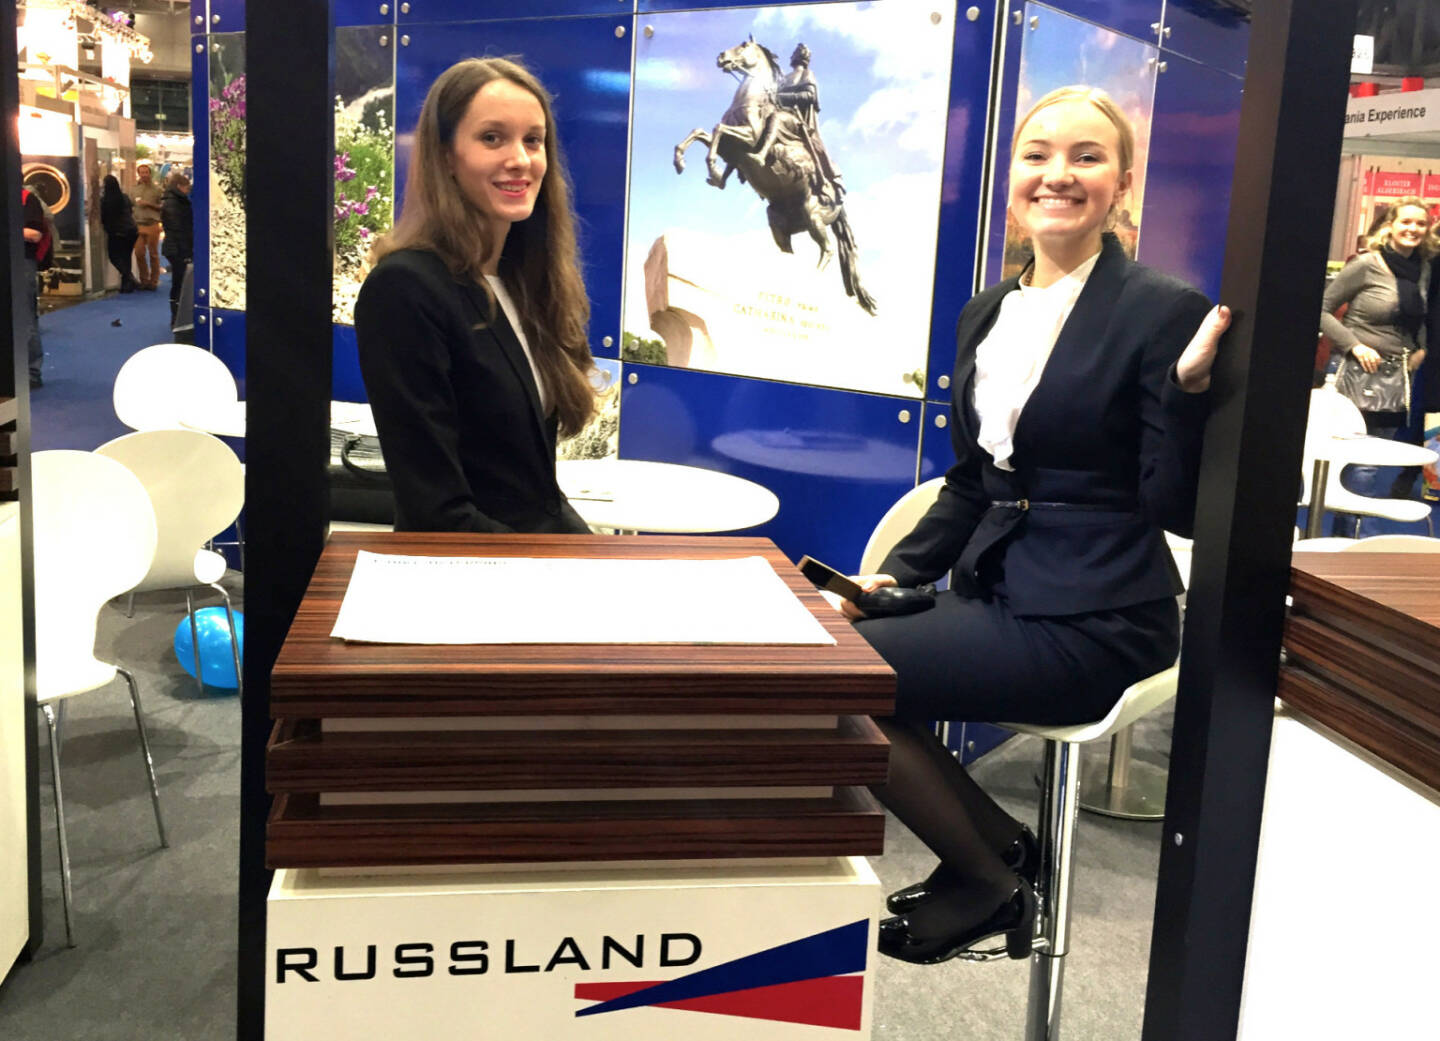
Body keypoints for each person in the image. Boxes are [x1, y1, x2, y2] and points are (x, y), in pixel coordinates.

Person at [834, 85, 1228, 964]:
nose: (1058, 174)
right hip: (1002, 592)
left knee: (832, 683)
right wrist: (898, 574)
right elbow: (976, 479)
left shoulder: (1162, 309)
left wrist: (1187, 396)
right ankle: (1004, 851)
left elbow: (1176, 508)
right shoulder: (986, 310)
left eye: (1087, 157)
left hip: (1098, 615)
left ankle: (990, 878)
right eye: (1037, 154)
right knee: (826, 659)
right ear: (1011, 178)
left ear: (1123, 183)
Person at [354, 57, 596, 533]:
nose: (520, 159)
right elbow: (436, 513)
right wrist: (555, 567)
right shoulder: (405, 289)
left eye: (533, 140)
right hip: (467, 568)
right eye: (492, 138)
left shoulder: (525, 283)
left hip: (529, 557)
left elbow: (538, 496)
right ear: (445, 156)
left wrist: (593, 556)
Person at [1322, 196, 1431, 503]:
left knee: (1373, 458)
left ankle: (1353, 522)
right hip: (1355, 372)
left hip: (1397, 378)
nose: (1413, 229)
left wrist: (1422, 348)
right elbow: (1321, 309)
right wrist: (1354, 346)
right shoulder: (1366, 264)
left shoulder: (1424, 270)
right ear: (1390, 225)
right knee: (1355, 462)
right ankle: (1349, 526)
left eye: (1420, 223)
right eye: (1405, 221)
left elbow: (1423, 317)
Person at [20, 188, 47, 388]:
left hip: (22, 262)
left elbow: (35, 234)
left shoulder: (27, 199)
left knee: (26, 318)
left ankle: (32, 372)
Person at [160, 170, 194, 325]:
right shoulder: (175, 203)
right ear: (180, 186)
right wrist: (186, 251)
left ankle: (177, 316)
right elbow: (178, 228)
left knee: (179, 281)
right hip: (177, 247)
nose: (188, 191)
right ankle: (177, 317)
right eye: (187, 188)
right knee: (179, 283)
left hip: (174, 246)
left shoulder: (172, 201)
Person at [100, 174, 139, 293]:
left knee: (114, 256)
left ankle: (129, 277)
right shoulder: (124, 197)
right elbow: (130, 211)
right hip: (131, 230)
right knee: (126, 257)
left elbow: (104, 217)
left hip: (117, 231)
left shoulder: (105, 200)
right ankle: (127, 285)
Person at [130, 161, 163, 290]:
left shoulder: (157, 190)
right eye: (142, 172)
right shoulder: (134, 190)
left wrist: (149, 204)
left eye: (146, 172)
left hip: (152, 224)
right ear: (138, 174)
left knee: (153, 254)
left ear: (150, 173)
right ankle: (144, 280)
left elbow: (162, 207)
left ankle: (154, 281)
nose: (144, 175)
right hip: (138, 225)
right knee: (139, 253)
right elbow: (131, 205)